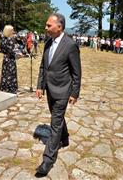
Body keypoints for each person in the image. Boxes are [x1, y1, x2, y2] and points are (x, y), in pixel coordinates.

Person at [35, 13, 81, 177]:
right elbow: (43, 67)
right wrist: (40, 86)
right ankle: (65, 137)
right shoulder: (48, 43)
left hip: (63, 90)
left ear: (59, 27)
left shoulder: (70, 45)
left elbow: (76, 72)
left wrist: (75, 92)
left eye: (49, 25)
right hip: (49, 89)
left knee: (55, 123)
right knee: (57, 117)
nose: (46, 28)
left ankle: (48, 159)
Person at [0, 25, 22, 94]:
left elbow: (0, 50)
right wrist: (20, 54)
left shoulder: (3, 39)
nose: (13, 32)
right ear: (9, 31)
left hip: (5, 58)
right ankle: (11, 88)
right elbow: (13, 51)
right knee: (11, 74)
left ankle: (4, 87)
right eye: (12, 30)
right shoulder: (10, 39)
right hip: (10, 59)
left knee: (5, 73)